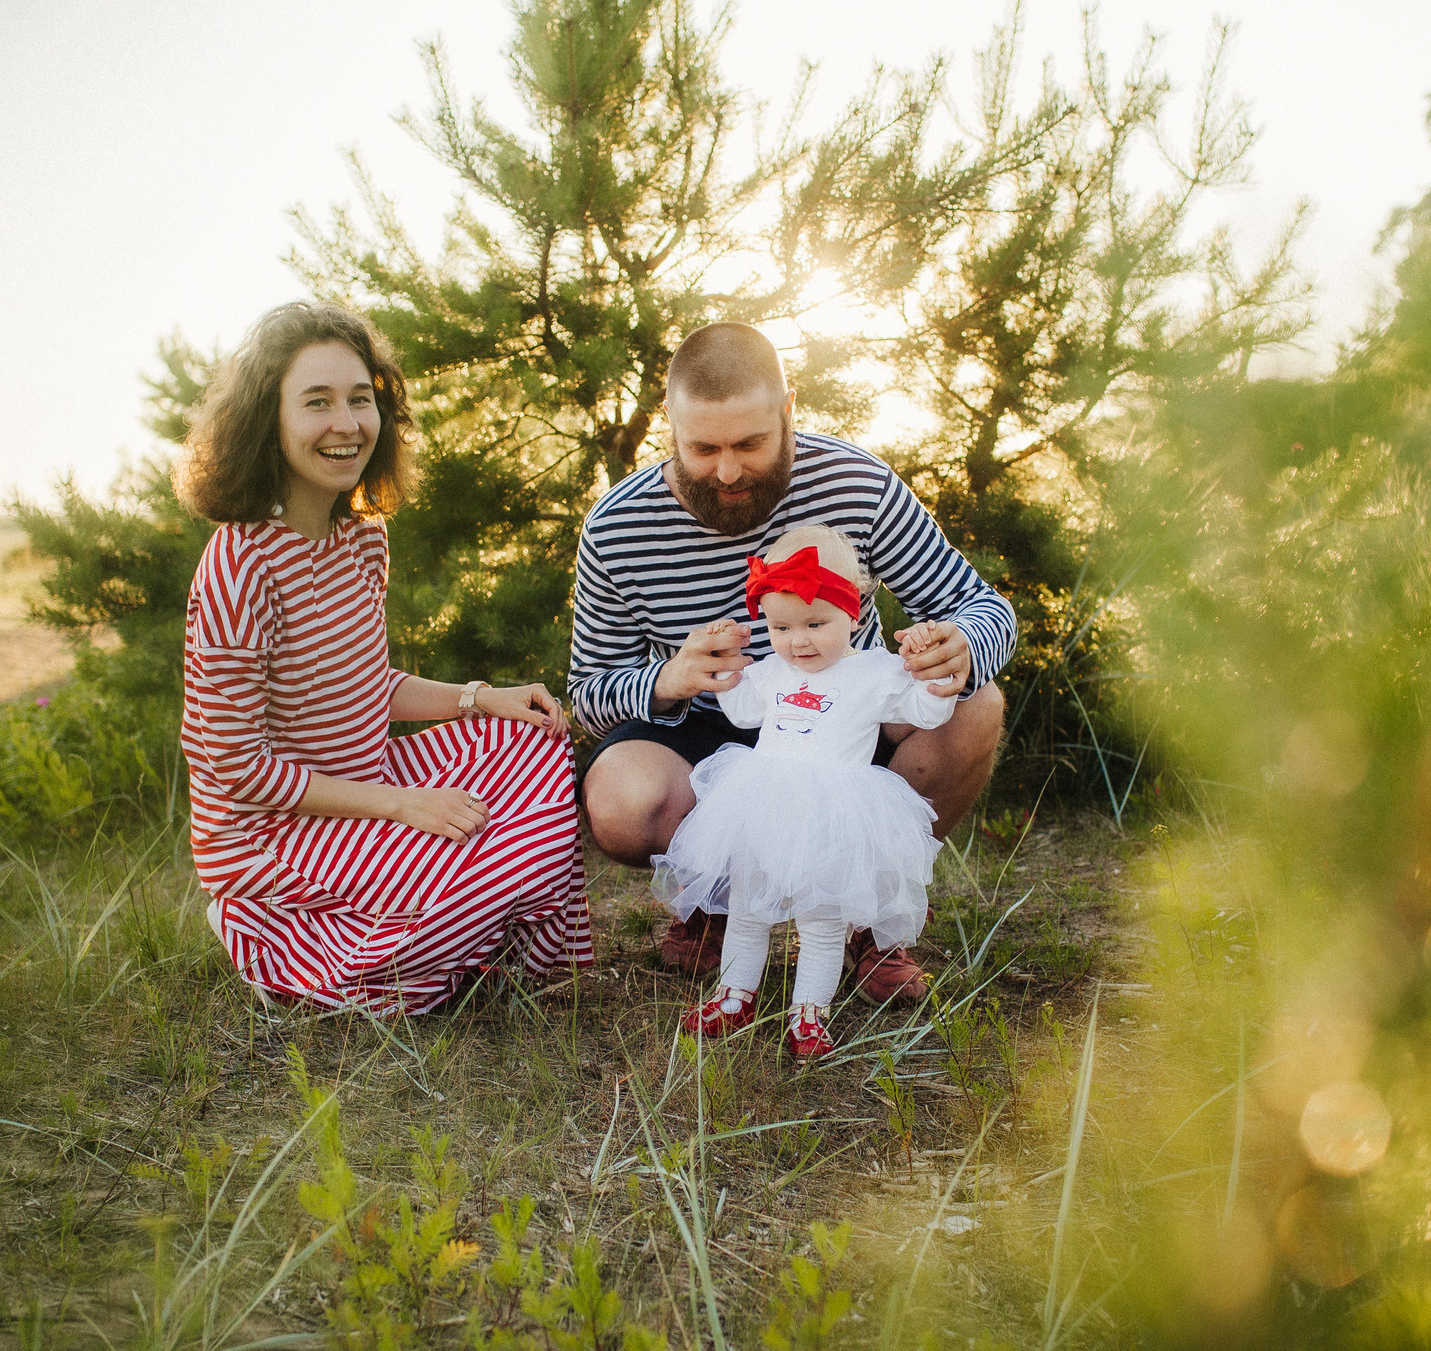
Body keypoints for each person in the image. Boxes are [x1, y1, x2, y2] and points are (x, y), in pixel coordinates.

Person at [573, 321, 1014, 1001]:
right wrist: (671, 677)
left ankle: (867, 920)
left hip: (844, 724)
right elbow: (588, 691)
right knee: (620, 796)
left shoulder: (857, 482)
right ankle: (715, 901)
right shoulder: (616, 526)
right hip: (706, 726)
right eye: (703, 447)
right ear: (670, 426)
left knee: (977, 705)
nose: (726, 470)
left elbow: (980, 604)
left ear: (788, 412)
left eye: (749, 443)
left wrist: (964, 646)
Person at [177, 302, 590, 1014]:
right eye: (317, 402)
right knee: (464, 879)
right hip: (270, 830)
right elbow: (238, 771)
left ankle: (489, 947)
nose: (347, 423)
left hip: (363, 780)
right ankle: (268, 934)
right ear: (266, 419)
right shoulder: (238, 566)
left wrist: (480, 697)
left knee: (537, 742)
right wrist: (402, 806)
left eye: (361, 399)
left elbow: (366, 686)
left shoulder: (364, 540)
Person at [651, 525, 956, 1057]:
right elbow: (743, 711)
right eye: (782, 626)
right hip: (765, 807)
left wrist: (928, 671)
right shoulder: (771, 671)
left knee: (821, 921)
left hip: (835, 816)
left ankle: (809, 1013)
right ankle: (734, 995)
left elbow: (925, 711)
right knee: (748, 908)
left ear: (852, 614)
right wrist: (725, 665)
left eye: (817, 623)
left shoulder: (876, 672)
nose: (799, 640)